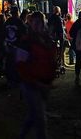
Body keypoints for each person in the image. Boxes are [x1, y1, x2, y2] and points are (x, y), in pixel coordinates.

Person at [16, 11, 57, 139]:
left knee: (33, 114)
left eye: (40, 22)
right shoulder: (26, 42)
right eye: (35, 22)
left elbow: (51, 61)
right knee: (40, 118)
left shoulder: (47, 40)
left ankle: (21, 135)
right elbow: (20, 65)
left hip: (44, 83)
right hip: (31, 85)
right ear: (30, 23)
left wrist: (50, 79)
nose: (37, 25)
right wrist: (34, 81)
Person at [4, 5, 27, 85]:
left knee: (9, 63)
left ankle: (10, 80)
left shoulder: (7, 21)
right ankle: (16, 80)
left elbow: (4, 33)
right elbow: (25, 33)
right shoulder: (19, 21)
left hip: (8, 45)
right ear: (17, 12)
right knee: (17, 64)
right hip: (17, 46)